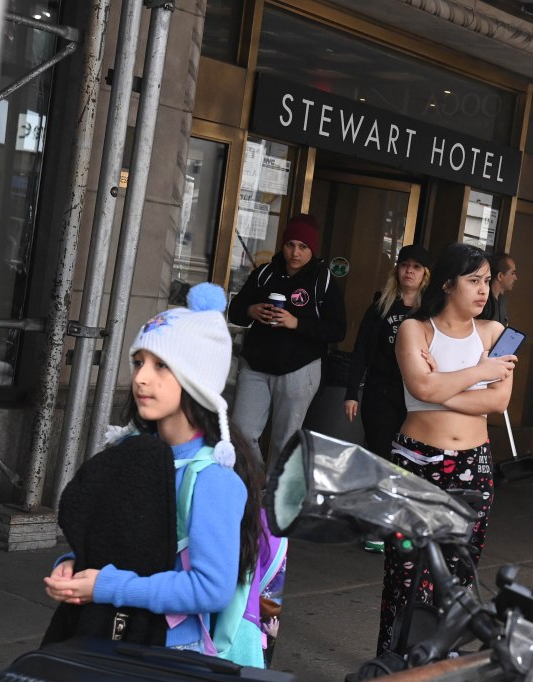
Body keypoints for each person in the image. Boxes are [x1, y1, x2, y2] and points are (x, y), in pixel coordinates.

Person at [43, 283, 266, 661]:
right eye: (139, 362)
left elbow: (211, 589)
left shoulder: (213, 477)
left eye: (161, 365)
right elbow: (112, 544)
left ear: (196, 378)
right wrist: (72, 567)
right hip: (116, 635)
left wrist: (107, 586)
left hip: (171, 652)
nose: (142, 378)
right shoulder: (130, 453)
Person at [376, 242, 517, 655]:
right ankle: (395, 661)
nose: (483, 291)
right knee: (405, 569)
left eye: (488, 282)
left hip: (473, 463)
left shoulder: (496, 333)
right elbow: (419, 385)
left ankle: (441, 659)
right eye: (473, 281)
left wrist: (440, 390)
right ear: (447, 284)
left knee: (460, 567)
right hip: (416, 460)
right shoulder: (414, 329)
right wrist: (478, 372)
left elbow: (496, 402)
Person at [228, 213, 347, 467]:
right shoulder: (265, 274)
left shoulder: (322, 280)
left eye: (303, 247)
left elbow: (337, 330)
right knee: (242, 435)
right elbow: (235, 311)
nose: (295, 252)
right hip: (256, 366)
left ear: (312, 249)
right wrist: (251, 311)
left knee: (285, 442)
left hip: (299, 368)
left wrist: (296, 323)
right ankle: (256, 486)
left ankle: (275, 498)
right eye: (290, 244)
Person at [344, 243, 431, 554]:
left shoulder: (429, 310)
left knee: (407, 462)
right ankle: (377, 526)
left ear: (425, 275)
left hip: (414, 399)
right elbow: (362, 350)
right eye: (404, 264)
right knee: (380, 458)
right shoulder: (382, 304)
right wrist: (352, 392)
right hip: (380, 395)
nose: (409, 270)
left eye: (416, 266)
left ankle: (399, 525)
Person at [478, 251, 517, 325]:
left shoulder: (502, 301)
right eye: (512, 273)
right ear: (500, 276)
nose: (515, 278)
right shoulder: (483, 302)